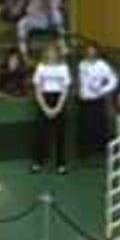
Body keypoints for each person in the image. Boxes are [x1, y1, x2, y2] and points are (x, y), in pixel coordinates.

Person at [31, 42, 71, 174]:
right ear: (46, 53)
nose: (52, 54)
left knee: (60, 134)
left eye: (54, 52)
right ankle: (38, 163)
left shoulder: (63, 68)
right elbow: (38, 89)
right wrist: (45, 107)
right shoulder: (41, 67)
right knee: (41, 134)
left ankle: (61, 164)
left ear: (58, 54)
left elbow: (65, 89)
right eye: (49, 52)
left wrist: (58, 107)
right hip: (44, 99)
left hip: (59, 99)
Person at [77, 44, 118, 156]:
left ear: (96, 53)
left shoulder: (102, 65)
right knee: (85, 126)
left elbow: (113, 80)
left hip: (96, 100)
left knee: (98, 125)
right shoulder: (82, 64)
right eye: (88, 51)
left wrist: (102, 90)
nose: (90, 54)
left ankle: (99, 151)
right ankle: (86, 150)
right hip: (84, 100)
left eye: (92, 51)